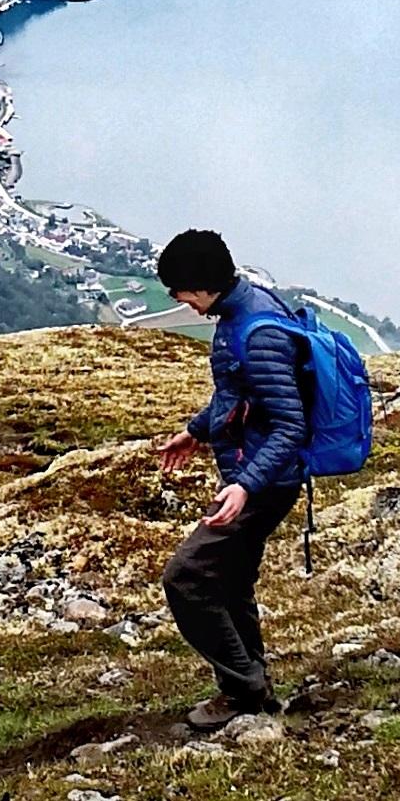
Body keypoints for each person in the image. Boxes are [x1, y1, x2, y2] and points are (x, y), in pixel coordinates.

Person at [150, 229, 309, 728]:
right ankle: (251, 689)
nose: (179, 302)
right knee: (231, 579)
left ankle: (242, 687)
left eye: (180, 291)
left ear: (201, 284)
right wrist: (194, 432)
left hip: (264, 483)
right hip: (255, 474)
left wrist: (245, 485)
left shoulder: (258, 331)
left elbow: (289, 424)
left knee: (187, 576)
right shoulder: (240, 311)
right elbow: (237, 394)